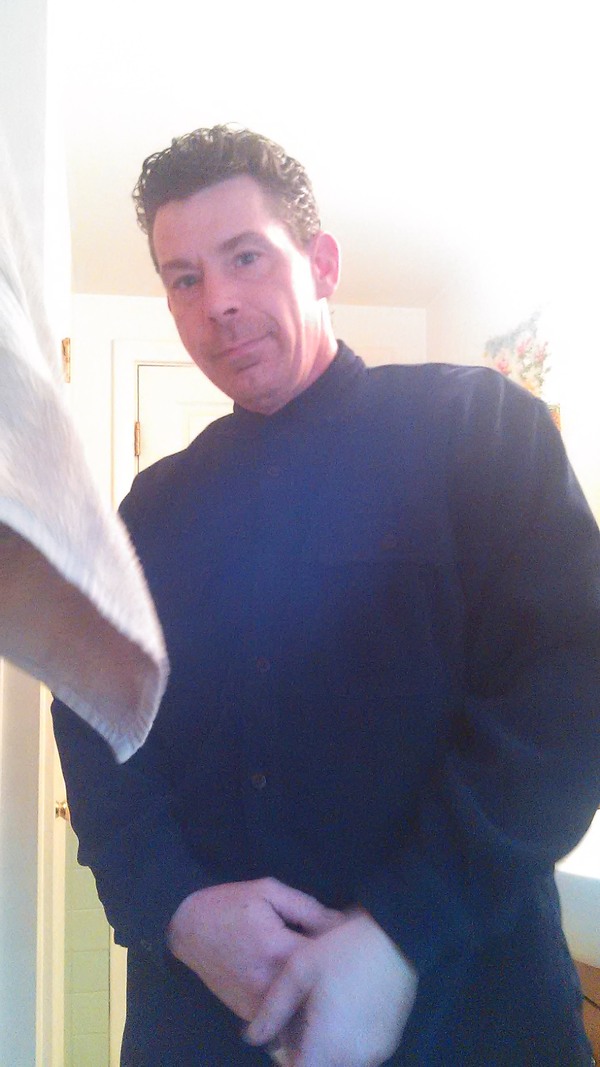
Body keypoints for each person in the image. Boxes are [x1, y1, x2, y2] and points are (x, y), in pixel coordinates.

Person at [51, 125, 600, 1066]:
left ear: (322, 264)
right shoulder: (148, 512)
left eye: (246, 256)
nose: (218, 301)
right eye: (184, 278)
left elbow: (570, 691)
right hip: (205, 1023)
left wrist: (400, 930)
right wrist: (175, 907)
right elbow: (97, 719)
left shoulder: (481, 430)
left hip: (471, 1011)